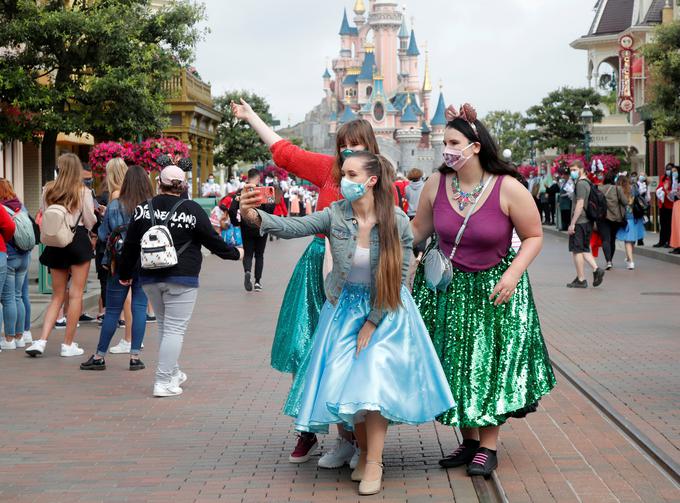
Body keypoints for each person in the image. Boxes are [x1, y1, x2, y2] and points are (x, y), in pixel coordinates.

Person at [239, 151, 455, 496]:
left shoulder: (396, 220)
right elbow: (293, 226)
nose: (344, 181)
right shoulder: (335, 214)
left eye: (352, 174)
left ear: (371, 180)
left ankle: (375, 462)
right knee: (345, 383)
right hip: (343, 308)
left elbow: (398, 277)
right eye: (343, 174)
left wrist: (372, 323)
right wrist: (251, 215)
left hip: (385, 309)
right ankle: (365, 450)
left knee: (372, 383)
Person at [232, 97, 382, 468]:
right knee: (308, 347)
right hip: (318, 265)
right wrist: (252, 116)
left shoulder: (383, 184)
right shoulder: (330, 171)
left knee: (353, 356)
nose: (349, 154)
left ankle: (355, 441)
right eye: (343, 148)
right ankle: (310, 429)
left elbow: (396, 237)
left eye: (357, 148)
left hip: (362, 276)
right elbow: (285, 152)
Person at [410, 103, 556, 478]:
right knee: (453, 365)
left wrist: (514, 274)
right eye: (444, 142)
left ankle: (488, 445)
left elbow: (533, 236)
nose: (447, 149)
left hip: (493, 290)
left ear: (475, 146)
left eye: (454, 142)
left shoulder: (508, 187)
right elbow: (416, 233)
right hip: (445, 290)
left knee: (486, 364)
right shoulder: (435, 184)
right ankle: (470, 439)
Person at [116, 165, 243, 397]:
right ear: (183, 185)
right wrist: (236, 253)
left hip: (150, 276)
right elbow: (212, 240)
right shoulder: (192, 209)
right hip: (182, 275)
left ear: (159, 183)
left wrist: (124, 274)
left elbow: (131, 246)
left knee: (166, 327)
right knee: (174, 329)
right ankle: (163, 381)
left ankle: (173, 372)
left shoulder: (143, 209)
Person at [80, 166, 154, 372]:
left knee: (113, 310)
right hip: (146, 262)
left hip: (118, 264)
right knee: (139, 307)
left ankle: (99, 356)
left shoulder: (114, 206)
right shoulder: (152, 207)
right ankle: (135, 357)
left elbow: (103, 235)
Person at [26, 154, 97, 357]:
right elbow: (90, 220)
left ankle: (41, 341)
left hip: (56, 243)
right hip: (78, 240)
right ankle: (68, 344)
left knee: (57, 296)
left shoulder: (48, 189)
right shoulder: (83, 191)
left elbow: (43, 214)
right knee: (76, 294)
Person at [229, 169, 275, 292]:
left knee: (248, 253)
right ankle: (258, 282)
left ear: (248, 177)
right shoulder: (265, 191)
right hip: (261, 226)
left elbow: (232, 209)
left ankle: (247, 271)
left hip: (246, 226)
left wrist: (236, 222)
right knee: (259, 254)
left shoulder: (241, 192)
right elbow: (271, 208)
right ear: (258, 178)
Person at [0, 179, 31, 350]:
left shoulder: (1, 207)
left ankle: (9, 339)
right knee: (18, 296)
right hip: (25, 255)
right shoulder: (20, 205)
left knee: (8, 298)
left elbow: (9, 228)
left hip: (10, 254)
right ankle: (20, 336)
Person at [565, 160, 605, 288]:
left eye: (575, 170)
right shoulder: (587, 182)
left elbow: (580, 204)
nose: (572, 172)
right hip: (586, 221)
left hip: (580, 221)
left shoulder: (581, 184)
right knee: (583, 248)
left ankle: (582, 279)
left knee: (577, 250)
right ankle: (593, 271)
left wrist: (572, 223)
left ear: (582, 169)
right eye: (571, 170)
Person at [616, 174, 646, 269]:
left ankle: (631, 261)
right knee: (632, 239)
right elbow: (639, 197)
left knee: (628, 240)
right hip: (636, 216)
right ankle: (629, 258)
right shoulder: (633, 188)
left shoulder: (618, 190)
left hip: (625, 217)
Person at [598, 171, 627, 270]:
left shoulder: (599, 188)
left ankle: (608, 261)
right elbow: (625, 202)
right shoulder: (617, 189)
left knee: (605, 239)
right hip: (615, 217)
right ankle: (610, 260)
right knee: (612, 239)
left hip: (602, 217)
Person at [655, 164, 675, 248]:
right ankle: (662, 241)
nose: (668, 170)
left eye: (670, 169)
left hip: (670, 205)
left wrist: (665, 190)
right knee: (662, 224)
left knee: (669, 224)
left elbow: (672, 191)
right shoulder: (663, 178)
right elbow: (659, 187)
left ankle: (669, 241)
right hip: (662, 204)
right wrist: (660, 191)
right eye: (667, 169)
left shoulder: (673, 179)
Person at [668, 166, 680, 255]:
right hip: (675, 204)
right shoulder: (674, 181)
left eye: (675, 171)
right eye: (672, 172)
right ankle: (676, 245)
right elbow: (672, 195)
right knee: (675, 226)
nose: (673, 173)